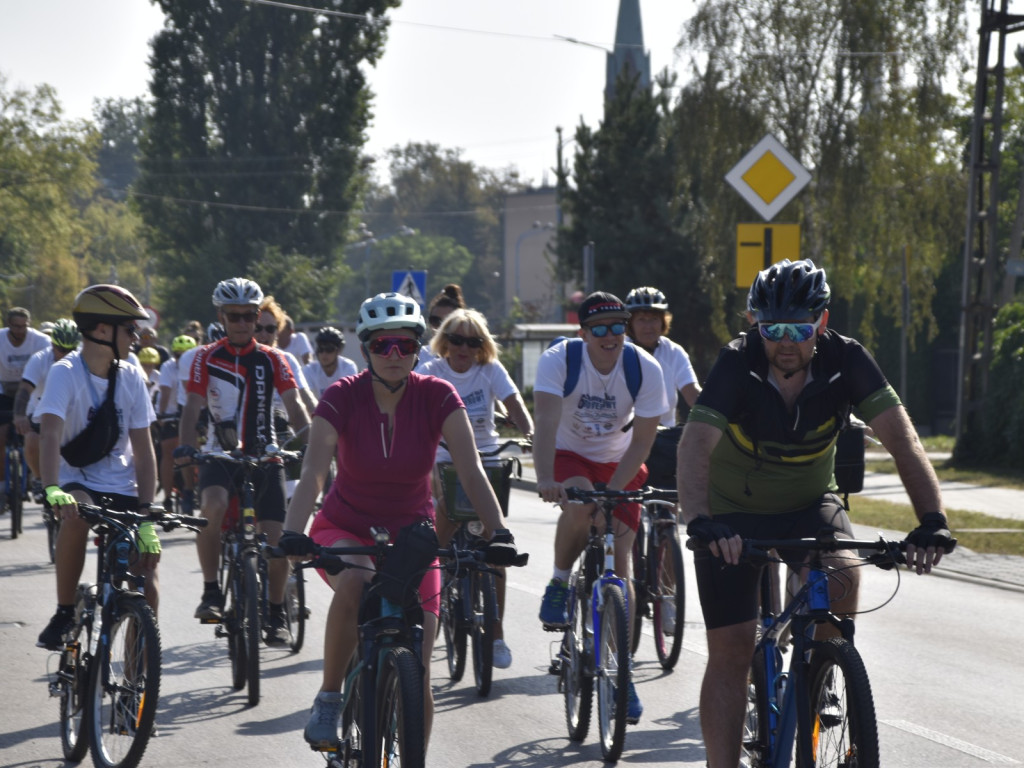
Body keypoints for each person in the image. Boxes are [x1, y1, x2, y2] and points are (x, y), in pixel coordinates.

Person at [676, 258, 955, 768]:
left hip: (809, 504)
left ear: (821, 323)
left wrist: (932, 519)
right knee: (732, 650)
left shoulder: (848, 360)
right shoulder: (737, 363)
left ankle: (821, 672)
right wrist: (699, 521)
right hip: (732, 515)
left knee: (844, 576)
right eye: (772, 328)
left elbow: (902, 438)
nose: (785, 341)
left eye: (799, 329)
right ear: (754, 323)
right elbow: (695, 445)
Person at [277, 292, 521, 753]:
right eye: (382, 345)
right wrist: (292, 533)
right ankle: (330, 696)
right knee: (357, 582)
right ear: (365, 348)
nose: (394, 355)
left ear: (418, 349)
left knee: (420, 666)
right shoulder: (341, 396)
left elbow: (470, 471)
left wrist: (500, 533)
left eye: (405, 346)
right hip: (344, 525)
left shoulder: (437, 395)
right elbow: (312, 472)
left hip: (413, 535)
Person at [534, 291, 667, 724]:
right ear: (584, 332)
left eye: (618, 328)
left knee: (621, 567)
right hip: (569, 456)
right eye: (600, 329)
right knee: (579, 507)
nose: (611, 337)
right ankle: (558, 582)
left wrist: (612, 489)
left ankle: (621, 671)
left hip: (621, 460)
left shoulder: (644, 368)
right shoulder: (560, 361)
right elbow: (546, 425)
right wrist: (546, 479)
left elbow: (645, 440)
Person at [175, 277, 310, 646]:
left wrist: (313, 445)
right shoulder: (205, 356)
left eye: (249, 316)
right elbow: (192, 409)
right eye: (234, 316)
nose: (242, 323)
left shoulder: (274, 358)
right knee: (213, 506)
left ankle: (277, 611)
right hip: (220, 455)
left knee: (277, 538)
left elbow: (296, 407)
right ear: (221, 316)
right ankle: (211, 591)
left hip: (265, 454)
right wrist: (187, 447)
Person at [35, 285, 161, 649]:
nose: (137, 337)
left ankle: (138, 677)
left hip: (122, 486)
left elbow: (143, 449)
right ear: (102, 330)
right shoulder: (65, 372)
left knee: (148, 579)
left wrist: (147, 514)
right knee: (75, 516)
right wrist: (52, 488)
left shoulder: (133, 376)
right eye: (130, 329)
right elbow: (49, 434)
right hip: (77, 480)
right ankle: (63, 611)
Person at [419, 307, 533, 669]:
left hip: (487, 455)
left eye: (473, 341)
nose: (464, 348)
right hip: (443, 455)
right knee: (446, 519)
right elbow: (413, 406)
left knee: (494, 544)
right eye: (456, 340)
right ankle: (430, 593)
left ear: (482, 346)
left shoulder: (491, 372)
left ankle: (496, 633)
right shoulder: (432, 372)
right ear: (444, 342)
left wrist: (530, 433)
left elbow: (518, 409)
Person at [14, 319, 81, 499]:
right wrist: (19, 415)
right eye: (61, 349)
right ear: (52, 344)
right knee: (33, 437)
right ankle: (38, 478)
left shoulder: (83, 360)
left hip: (71, 413)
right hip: (40, 411)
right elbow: (25, 390)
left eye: (71, 350)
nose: (66, 354)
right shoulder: (39, 359)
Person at [0, 307, 51, 504]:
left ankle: (33, 477)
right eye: (15, 326)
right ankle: (3, 486)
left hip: (31, 391)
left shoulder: (40, 341)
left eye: (24, 326)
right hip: (4, 389)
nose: (20, 331)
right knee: (2, 435)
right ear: (8, 325)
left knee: (34, 434)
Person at [253, 297, 318, 428]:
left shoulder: (287, 359)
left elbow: (306, 398)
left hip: (283, 435)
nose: (263, 334)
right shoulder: (240, 359)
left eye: (270, 329)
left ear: (277, 331)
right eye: (258, 328)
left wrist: (325, 424)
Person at [155, 334, 197, 510]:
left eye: (186, 354)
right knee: (168, 452)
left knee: (193, 449)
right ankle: (166, 497)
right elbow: (165, 393)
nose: (182, 358)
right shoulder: (168, 367)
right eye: (178, 354)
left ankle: (189, 488)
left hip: (192, 412)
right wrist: (162, 414)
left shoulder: (198, 365)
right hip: (172, 413)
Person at [302, 327, 358, 398]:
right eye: (320, 349)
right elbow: (308, 399)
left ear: (339, 351)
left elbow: (348, 397)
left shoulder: (348, 366)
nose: (324, 354)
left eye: (329, 349)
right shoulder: (309, 370)